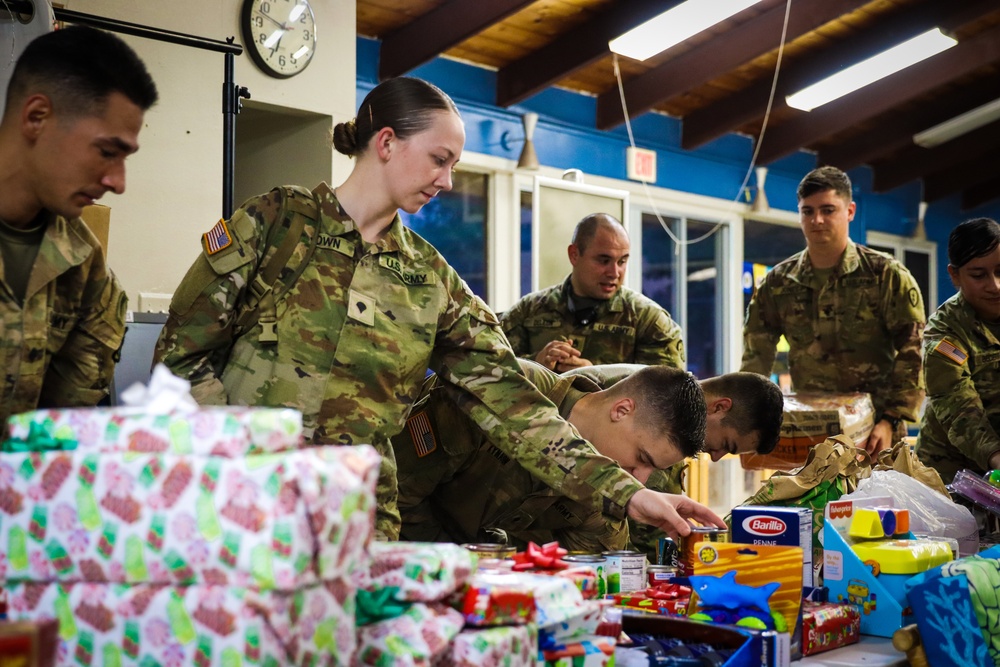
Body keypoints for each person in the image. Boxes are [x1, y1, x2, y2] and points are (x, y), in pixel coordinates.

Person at [154, 76, 724, 540]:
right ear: (386, 143)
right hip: (235, 505)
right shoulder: (277, 223)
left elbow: (513, 402)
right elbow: (180, 357)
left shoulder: (431, 282)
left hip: (356, 525)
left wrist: (630, 492)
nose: (448, 180)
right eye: (439, 159)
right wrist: (239, 454)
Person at [0, 26, 157, 426]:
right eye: (107, 152)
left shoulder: (83, 265)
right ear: (37, 117)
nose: (118, 183)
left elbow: (59, 432)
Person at [393, 361, 706, 552]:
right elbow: (395, 492)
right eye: (641, 458)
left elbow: (589, 582)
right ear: (622, 410)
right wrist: (459, 561)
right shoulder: (508, 391)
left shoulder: (608, 495)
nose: (638, 479)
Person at [741, 166, 925, 454]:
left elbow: (913, 352)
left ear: (850, 211)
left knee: (879, 501)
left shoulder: (886, 275)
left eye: (828, 210)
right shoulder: (778, 283)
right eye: (807, 211)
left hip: (877, 433)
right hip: (812, 433)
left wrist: (890, 419)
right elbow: (756, 356)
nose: (817, 220)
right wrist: (751, 419)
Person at [564, 364, 784, 557]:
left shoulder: (654, 386)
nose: (716, 457)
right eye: (727, 444)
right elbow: (645, 542)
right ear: (719, 407)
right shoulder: (656, 420)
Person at [501, 212, 684, 372]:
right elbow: (491, 372)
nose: (614, 273)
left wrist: (598, 376)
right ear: (574, 255)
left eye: (622, 262)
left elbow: (668, 394)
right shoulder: (528, 312)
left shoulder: (648, 321)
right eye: (603, 260)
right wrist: (537, 363)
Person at [916, 218, 1000, 484]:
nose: (995, 285)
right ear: (955, 275)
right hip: (950, 476)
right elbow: (958, 408)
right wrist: (997, 457)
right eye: (978, 275)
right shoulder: (945, 331)